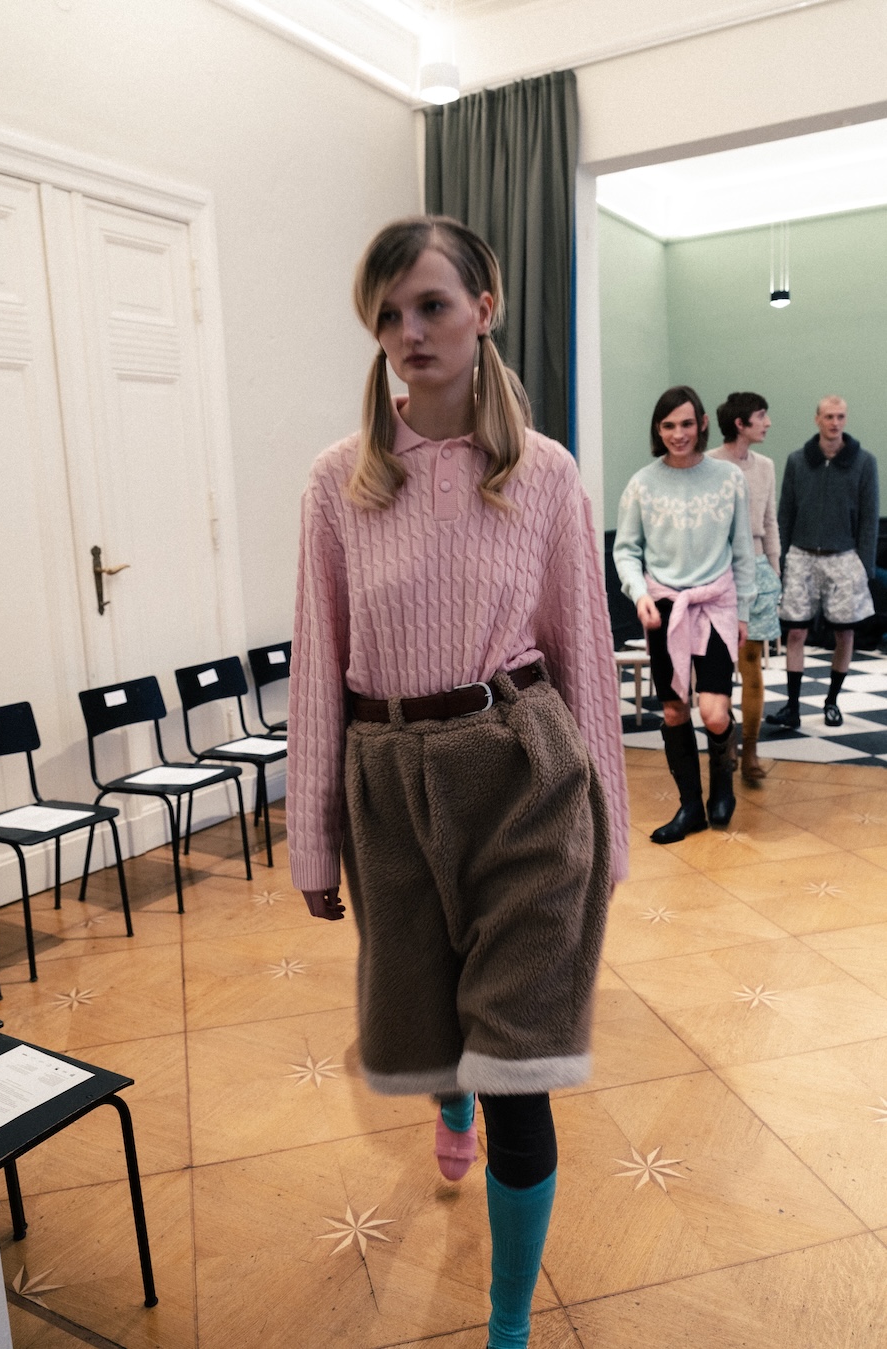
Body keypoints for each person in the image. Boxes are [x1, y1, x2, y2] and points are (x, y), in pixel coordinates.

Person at [286, 215, 628, 1349]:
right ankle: (448, 1092)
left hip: (522, 772)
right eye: (387, 314)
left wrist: (611, 830)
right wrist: (311, 839)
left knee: (521, 1065)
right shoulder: (339, 482)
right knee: (430, 1011)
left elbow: (583, 651)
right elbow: (317, 664)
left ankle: (509, 1325)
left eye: (430, 304)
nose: (408, 332)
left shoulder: (544, 473)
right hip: (390, 790)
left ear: (485, 308)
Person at [614, 385, 755, 844]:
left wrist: (744, 612)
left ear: (702, 424)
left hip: (715, 604)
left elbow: (742, 551)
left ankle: (722, 785)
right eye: (669, 425)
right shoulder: (642, 483)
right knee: (674, 710)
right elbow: (626, 550)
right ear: (658, 430)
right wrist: (638, 593)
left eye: (687, 424)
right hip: (663, 606)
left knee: (713, 712)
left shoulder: (729, 479)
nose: (679, 434)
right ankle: (690, 807)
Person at [766, 396, 879, 730]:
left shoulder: (863, 462)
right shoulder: (798, 460)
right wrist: (779, 561)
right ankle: (792, 706)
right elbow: (785, 513)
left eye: (840, 416)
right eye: (829, 416)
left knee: (845, 633)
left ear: (846, 419)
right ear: (817, 419)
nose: (835, 423)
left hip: (843, 557)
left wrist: (865, 567)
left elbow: (869, 517)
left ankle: (832, 701)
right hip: (801, 555)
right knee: (795, 631)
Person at [708, 392, 781, 782]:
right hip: (718, 573)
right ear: (740, 423)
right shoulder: (708, 465)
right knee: (718, 666)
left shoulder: (766, 466)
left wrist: (775, 572)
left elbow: (770, 523)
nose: (767, 423)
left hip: (757, 571)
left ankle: (750, 751)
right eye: (761, 415)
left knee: (752, 662)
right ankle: (725, 745)